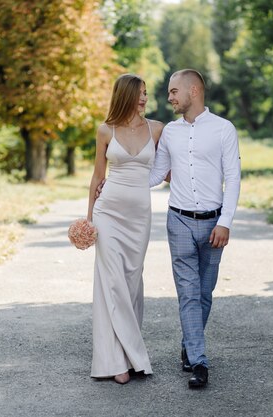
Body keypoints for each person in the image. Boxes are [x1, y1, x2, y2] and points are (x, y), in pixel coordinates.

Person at [148, 69, 241, 388]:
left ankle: (190, 344)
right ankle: (199, 363)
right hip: (179, 222)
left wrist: (226, 222)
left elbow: (233, 177)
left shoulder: (223, 129)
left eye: (174, 91)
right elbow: (156, 174)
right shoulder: (170, 133)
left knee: (204, 293)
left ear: (194, 91)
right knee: (188, 293)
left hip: (214, 224)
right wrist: (120, 182)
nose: (169, 97)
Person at [86, 74, 163, 384]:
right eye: (139, 94)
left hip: (139, 217)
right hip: (108, 213)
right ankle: (116, 361)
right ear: (125, 96)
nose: (144, 98)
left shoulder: (157, 130)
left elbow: (169, 169)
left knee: (131, 282)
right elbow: (96, 177)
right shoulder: (106, 130)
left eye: (146, 93)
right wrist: (88, 221)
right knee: (112, 283)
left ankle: (127, 355)